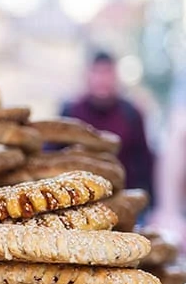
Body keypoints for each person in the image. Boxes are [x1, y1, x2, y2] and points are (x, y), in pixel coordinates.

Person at [61, 51, 155, 201]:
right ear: (87, 75)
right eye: (97, 72)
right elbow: (51, 154)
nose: (102, 79)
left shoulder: (131, 114)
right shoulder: (70, 112)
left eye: (107, 73)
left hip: (122, 197)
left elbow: (144, 161)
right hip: (76, 198)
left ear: (116, 76)